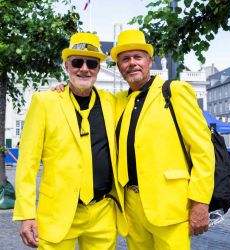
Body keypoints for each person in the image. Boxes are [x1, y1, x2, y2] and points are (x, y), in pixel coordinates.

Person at [13, 32, 127, 250]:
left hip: (102, 212)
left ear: (98, 69)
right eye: (77, 62)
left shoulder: (112, 102)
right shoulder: (44, 101)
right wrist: (26, 214)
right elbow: (27, 162)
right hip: (56, 212)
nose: (84, 68)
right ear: (66, 66)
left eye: (91, 63)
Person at [110, 29, 215, 250]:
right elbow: (87, 97)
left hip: (170, 205)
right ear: (119, 67)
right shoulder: (118, 101)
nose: (132, 63)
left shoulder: (174, 91)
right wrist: (61, 91)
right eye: (125, 59)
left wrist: (200, 203)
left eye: (138, 57)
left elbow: (202, 149)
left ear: (149, 61)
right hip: (131, 206)